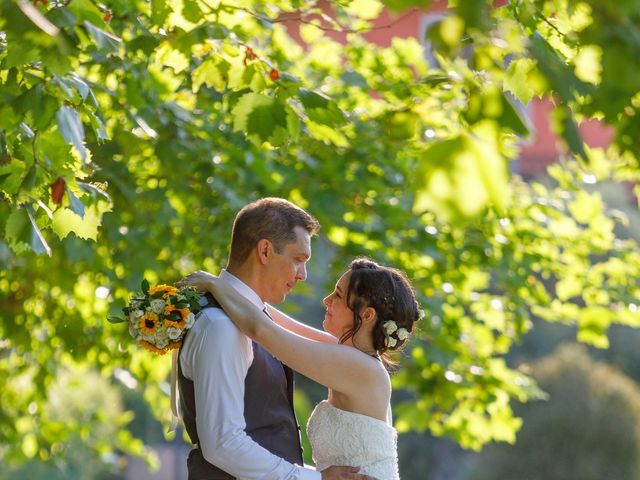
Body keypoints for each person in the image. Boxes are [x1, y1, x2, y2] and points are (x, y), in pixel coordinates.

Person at [176, 197, 377, 480]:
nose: (303, 275)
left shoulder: (254, 318)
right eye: (298, 260)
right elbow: (223, 444)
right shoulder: (220, 327)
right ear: (266, 251)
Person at [181, 257, 421, 479]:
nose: (326, 300)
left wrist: (215, 285)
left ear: (367, 315)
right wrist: (232, 288)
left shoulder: (360, 367)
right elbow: (273, 320)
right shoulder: (353, 355)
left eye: (338, 295)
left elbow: (263, 331)